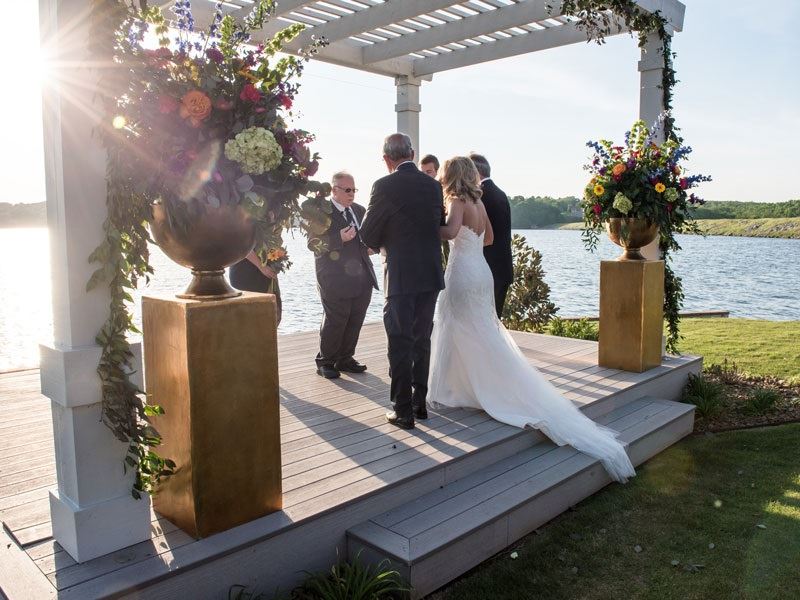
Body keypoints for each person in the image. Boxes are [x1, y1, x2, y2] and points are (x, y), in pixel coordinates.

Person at [428, 156, 635, 483]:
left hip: (463, 273)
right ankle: (474, 385)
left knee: (457, 327)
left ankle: (458, 389)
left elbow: (450, 231)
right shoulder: (478, 203)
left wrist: (424, 227)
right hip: (480, 271)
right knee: (481, 332)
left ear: (450, 176)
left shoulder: (456, 201)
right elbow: (489, 239)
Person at [360, 133, 445, 430]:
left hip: (400, 274)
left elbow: (367, 234)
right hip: (430, 272)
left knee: (399, 341)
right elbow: (437, 225)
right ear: (412, 153)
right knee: (421, 339)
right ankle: (420, 403)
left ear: (386, 159)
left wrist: (386, 240)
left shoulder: (383, 186)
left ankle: (403, 410)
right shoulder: (434, 186)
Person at [312, 171, 378, 379]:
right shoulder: (321, 211)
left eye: (354, 190)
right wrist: (338, 238)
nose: (352, 194)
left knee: (355, 318)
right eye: (348, 190)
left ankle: (345, 358)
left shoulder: (359, 210)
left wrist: (373, 246)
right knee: (336, 319)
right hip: (333, 276)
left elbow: (367, 237)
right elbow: (313, 244)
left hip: (361, 275)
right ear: (334, 190)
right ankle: (325, 361)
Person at [469, 153, 513, 319]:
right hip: (502, 268)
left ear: (475, 172)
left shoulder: (481, 196)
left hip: (488, 269)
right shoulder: (499, 193)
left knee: (484, 321)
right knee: (493, 322)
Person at [229, 251, 282, 325]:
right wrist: (262, 267)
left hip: (264, 274)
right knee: (259, 317)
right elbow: (244, 248)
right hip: (247, 274)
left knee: (273, 313)